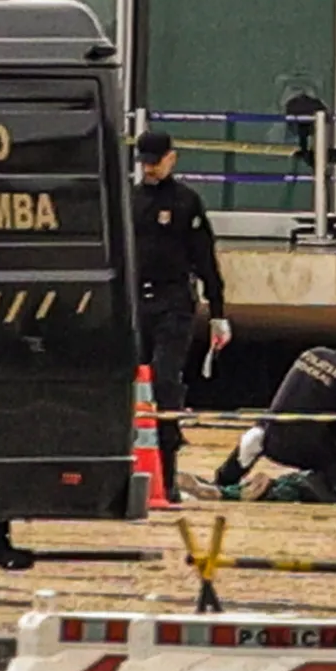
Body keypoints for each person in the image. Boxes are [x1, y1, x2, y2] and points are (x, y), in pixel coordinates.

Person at [131, 131, 228, 502]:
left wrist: (218, 312)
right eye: (144, 161)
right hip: (138, 300)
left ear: (171, 158)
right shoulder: (131, 201)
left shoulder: (186, 202)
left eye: (155, 161)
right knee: (132, 383)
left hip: (174, 302)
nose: (149, 168)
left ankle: (168, 475)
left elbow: (205, 259)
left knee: (165, 380)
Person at [212, 343, 336, 498]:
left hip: (269, 438)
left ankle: (224, 480)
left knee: (261, 429)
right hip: (304, 451)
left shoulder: (315, 351)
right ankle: (324, 481)